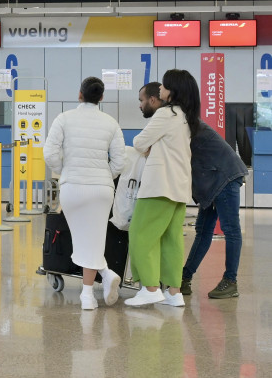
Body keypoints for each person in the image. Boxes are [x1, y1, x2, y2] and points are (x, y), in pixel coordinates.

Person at [138, 81, 247, 300]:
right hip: (211, 180)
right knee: (203, 231)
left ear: (158, 99)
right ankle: (185, 278)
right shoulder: (179, 118)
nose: (141, 104)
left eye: (142, 100)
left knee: (230, 229)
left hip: (224, 175)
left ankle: (230, 280)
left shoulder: (176, 118)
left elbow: (143, 144)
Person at [42, 76, 126, 310]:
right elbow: (120, 161)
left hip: (73, 187)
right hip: (101, 189)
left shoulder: (64, 119)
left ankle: (88, 295)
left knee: (82, 237)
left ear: (80, 94)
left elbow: (49, 154)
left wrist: (64, 171)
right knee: (94, 238)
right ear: (101, 97)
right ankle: (105, 276)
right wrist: (104, 176)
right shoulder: (110, 122)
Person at [125, 71, 200, 307]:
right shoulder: (187, 117)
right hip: (178, 188)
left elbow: (139, 142)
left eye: (164, 87)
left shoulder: (166, 114)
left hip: (159, 186)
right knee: (171, 240)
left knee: (140, 234)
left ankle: (150, 288)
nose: (161, 90)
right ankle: (174, 292)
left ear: (173, 91)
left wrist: (149, 145)